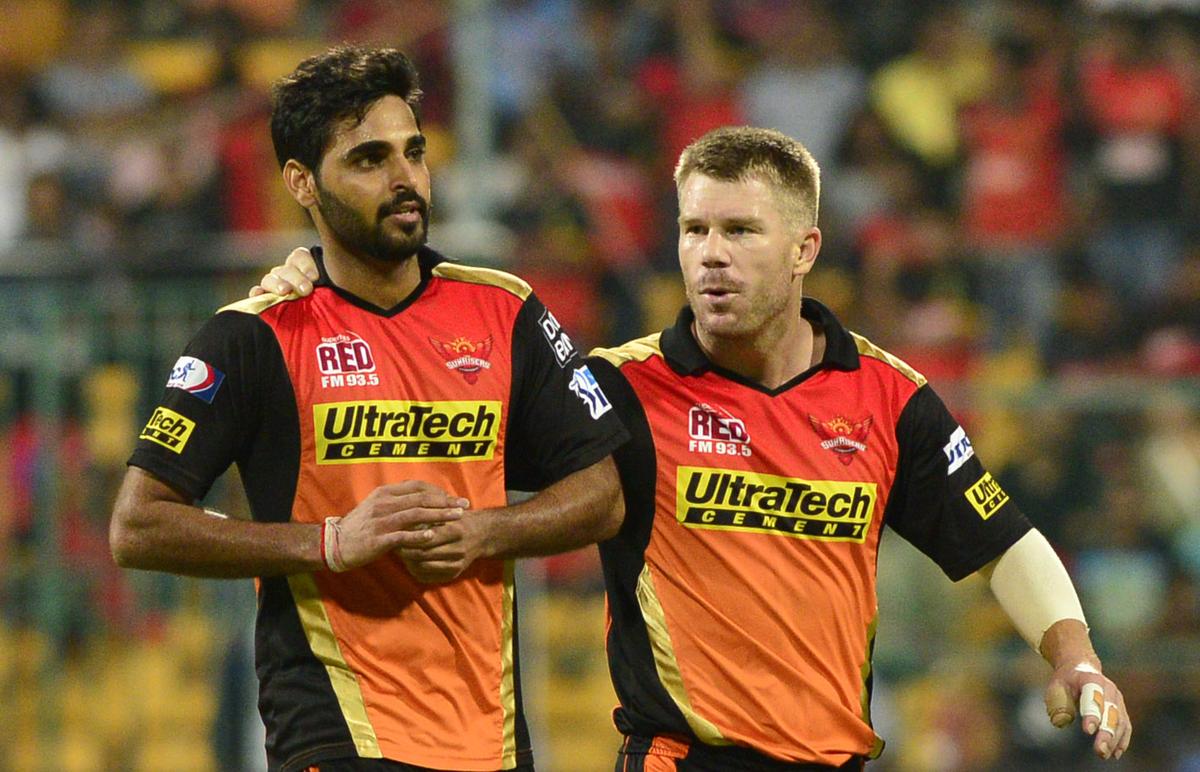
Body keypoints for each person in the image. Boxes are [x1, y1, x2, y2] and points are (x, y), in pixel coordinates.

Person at [258, 127, 1132, 769]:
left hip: (837, 758)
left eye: (740, 233)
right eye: (693, 230)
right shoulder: (619, 391)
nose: (709, 256)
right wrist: (317, 289)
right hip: (681, 756)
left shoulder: (889, 399)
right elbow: (432, 405)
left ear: (805, 249)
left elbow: (1003, 541)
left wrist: (1076, 658)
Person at [109, 45, 628, 772]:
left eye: (414, 152)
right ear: (302, 183)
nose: (405, 178)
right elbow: (138, 525)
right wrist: (326, 543)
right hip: (337, 731)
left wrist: (486, 531)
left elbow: (600, 494)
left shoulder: (504, 310)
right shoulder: (255, 334)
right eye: (368, 159)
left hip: (494, 739)